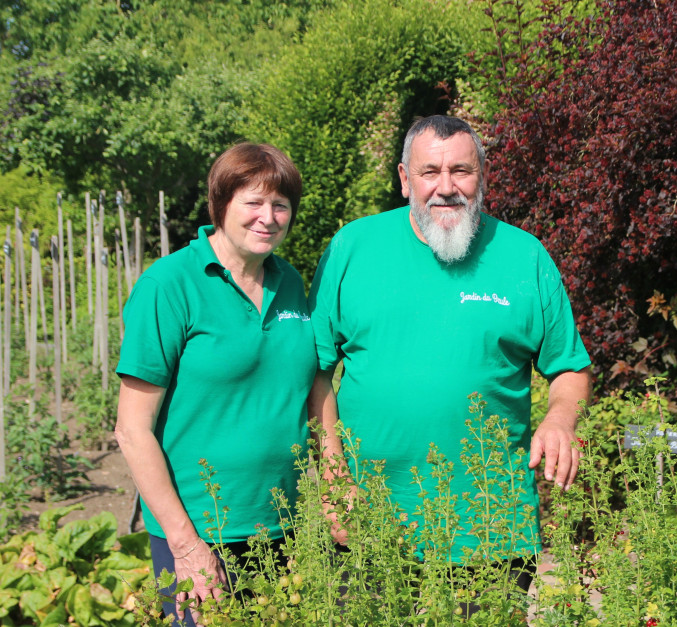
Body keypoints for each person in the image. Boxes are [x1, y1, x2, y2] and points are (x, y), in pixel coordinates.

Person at [308, 115, 592, 600]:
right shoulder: (351, 249)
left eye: (461, 170)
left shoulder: (524, 257)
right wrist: (335, 482)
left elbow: (568, 366)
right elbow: (314, 373)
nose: (446, 187)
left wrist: (561, 417)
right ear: (403, 180)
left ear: (482, 175)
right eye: (429, 172)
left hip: (491, 528)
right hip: (369, 522)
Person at [115, 143, 315, 627]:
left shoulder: (290, 284)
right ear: (220, 204)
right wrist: (185, 545)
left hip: (280, 527)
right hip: (200, 531)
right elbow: (131, 430)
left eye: (280, 204)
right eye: (253, 202)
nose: (267, 217)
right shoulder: (170, 285)